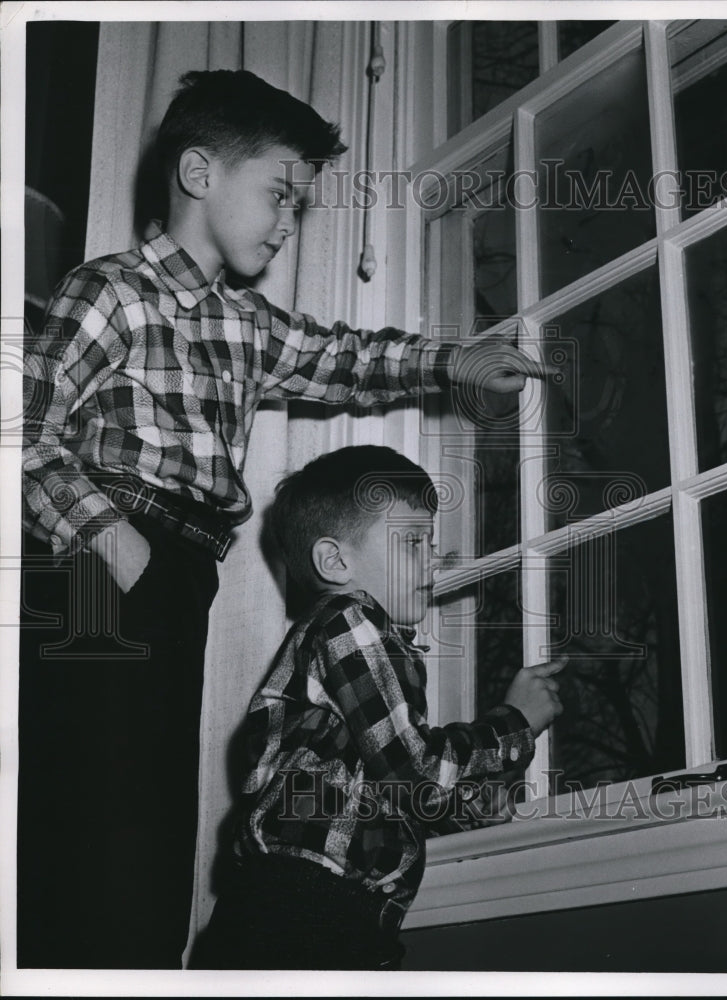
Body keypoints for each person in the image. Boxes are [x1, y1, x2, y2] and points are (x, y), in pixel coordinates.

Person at [19, 70, 556, 970]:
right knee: (89, 833)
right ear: (199, 172)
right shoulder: (110, 290)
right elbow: (22, 434)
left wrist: (456, 360)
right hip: (103, 567)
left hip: (176, 577)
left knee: (148, 842)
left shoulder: (249, 325)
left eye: (299, 204)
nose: (286, 221)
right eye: (279, 193)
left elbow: (347, 358)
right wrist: (116, 546)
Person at [191, 445, 566, 971]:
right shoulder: (350, 620)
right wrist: (516, 723)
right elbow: (416, 771)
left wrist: (470, 812)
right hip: (300, 911)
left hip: (327, 912)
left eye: (432, 542)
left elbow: (385, 795)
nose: (433, 559)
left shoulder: (360, 650)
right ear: (335, 561)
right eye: (413, 542)